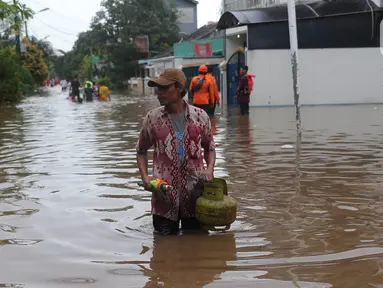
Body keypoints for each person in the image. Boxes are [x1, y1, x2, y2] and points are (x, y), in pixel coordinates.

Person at [136, 68, 216, 236]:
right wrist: (145, 178)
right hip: (163, 200)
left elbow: (210, 148)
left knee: (197, 247)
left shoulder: (200, 117)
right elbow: (141, 150)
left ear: (179, 88)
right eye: (158, 88)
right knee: (163, 252)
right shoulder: (152, 119)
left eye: (165, 88)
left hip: (195, 198)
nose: (159, 92)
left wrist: (209, 170)